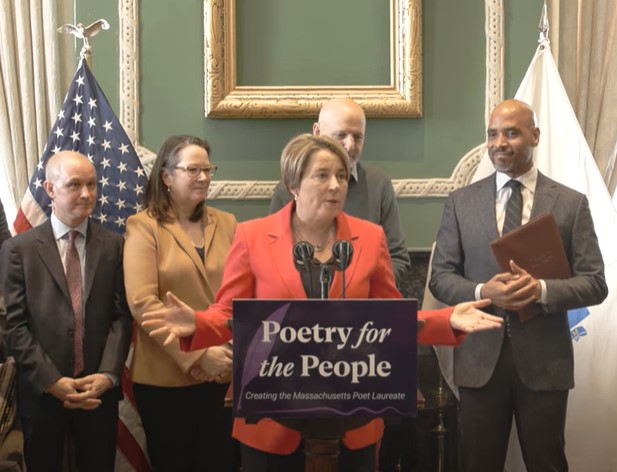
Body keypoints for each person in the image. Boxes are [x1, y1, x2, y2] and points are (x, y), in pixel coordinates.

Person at [141, 134, 503, 472]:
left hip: (354, 416)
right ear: (293, 184)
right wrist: (197, 324)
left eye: (342, 176)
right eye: (323, 176)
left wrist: (447, 319)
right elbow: (230, 313)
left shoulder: (370, 237)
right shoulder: (252, 236)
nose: (335, 185)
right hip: (271, 419)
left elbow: (388, 318)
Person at [429, 99, 608, 472]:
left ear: (535, 136)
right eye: (493, 134)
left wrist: (541, 290)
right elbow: (441, 277)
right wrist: (483, 292)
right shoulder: (461, 203)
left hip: (545, 362)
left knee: (547, 463)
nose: (499, 143)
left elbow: (595, 284)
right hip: (479, 363)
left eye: (511, 132)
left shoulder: (570, 204)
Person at [1, 151, 133, 472]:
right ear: (50, 189)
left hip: (97, 392)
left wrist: (107, 374)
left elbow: (121, 317)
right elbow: (14, 326)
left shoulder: (115, 246)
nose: (86, 194)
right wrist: (51, 381)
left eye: (91, 184)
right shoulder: (20, 250)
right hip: (42, 393)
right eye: (74, 185)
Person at [124, 135, 238, 471]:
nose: (203, 177)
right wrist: (200, 354)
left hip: (224, 373)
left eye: (207, 169)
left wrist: (226, 354)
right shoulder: (143, 226)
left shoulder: (228, 222)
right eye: (193, 169)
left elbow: (240, 293)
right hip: (165, 380)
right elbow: (143, 303)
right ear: (166, 177)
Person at [269, 98, 412, 296]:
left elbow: (396, 257)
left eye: (358, 137)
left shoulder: (379, 185)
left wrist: (365, 285)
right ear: (317, 132)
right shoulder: (288, 190)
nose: (350, 145)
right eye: (340, 135)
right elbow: (274, 258)